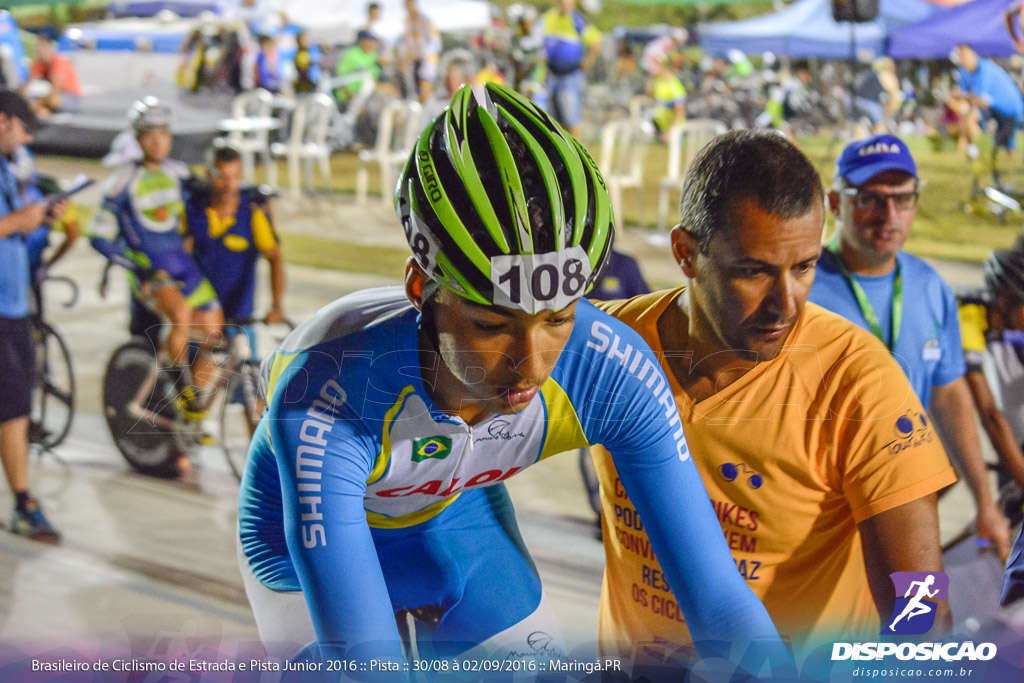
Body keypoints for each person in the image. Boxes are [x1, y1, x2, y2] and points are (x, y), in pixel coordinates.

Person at [237, 84, 788, 671]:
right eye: (490, 324)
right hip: (297, 541)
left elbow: (720, 602)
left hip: (452, 517)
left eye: (559, 318)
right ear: (421, 290)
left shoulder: (610, 371)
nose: (530, 363)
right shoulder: (329, 392)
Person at [590, 130, 956, 664]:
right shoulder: (607, 347)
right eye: (754, 271)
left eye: (804, 267)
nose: (785, 304)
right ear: (685, 253)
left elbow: (922, 605)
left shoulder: (860, 382)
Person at [809, 134, 1010, 560]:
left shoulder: (928, 286)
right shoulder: (800, 289)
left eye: (903, 199)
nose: (889, 215)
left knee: (917, 617)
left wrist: (985, 503)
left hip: (903, 497)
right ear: (833, 203)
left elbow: (950, 395)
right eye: (869, 199)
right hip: (818, 511)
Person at [88, 98, 224, 439]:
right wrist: (133, 267)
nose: (158, 141)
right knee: (179, 314)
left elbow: (210, 197)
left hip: (183, 266)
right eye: (150, 135)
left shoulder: (177, 172)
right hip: (152, 271)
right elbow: (99, 238)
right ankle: (184, 396)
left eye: (164, 134)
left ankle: (194, 412)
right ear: (137, 137)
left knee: (214, 331)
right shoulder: (122, 182)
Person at [0, 90, 67, 541]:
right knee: (13, 407)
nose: (26, 140)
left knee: (16, 407)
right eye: (23, 129)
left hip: (14, 304)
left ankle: (23, 500)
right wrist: (17, 222)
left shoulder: (9, 167)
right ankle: (23, 502)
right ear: (3, 121)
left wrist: (40, 218)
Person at [958, 248, 1024, 606]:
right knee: (950, 468)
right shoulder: (967, 314)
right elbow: (989, 413)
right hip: (931, 416)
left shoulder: (1016, 325)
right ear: (1004, 297)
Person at [183, 145, 286, 343]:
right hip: (200, 315)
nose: (230, 186)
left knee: (245, 368)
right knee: (195, 369)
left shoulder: (253, 211)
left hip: (239, 317)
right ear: (208, 175)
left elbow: (274, 258)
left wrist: (276, 307)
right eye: (222, 177)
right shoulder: (192, 208)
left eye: (236, 177)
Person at [949, 44, 1024, 160]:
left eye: (964, 56)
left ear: (973, 55)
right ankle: (977, 152)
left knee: (1006, 146)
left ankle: (981, 152)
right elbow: (965, 98)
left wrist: (961, 98)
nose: (962, 60)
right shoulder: (963, 72)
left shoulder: (985, 69)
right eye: (960, 57)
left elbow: (981, 100)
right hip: (994, 110)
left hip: (1010, 110)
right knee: (969, 118)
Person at [538, 0, 601, 138]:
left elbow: (596, 40)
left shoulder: (577, 20)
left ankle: (575, 155)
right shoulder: (547, 18)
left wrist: (589, 62)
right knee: (554, 120)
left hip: (570, 76)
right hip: (552, 75)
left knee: (571, 118)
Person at [23, 33, 82, 117]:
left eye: (43, 46)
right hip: (47, 96)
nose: (39, 49)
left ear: (50, 47)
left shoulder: (59, 61)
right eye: (38, 46)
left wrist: (38, 104)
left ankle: (44, 110)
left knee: (53, 100)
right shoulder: (38, 62)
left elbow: (55, 89)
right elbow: (28, 85)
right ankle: (43, 110)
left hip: (70, 97)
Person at [397, 0, 440, 103]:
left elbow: (435, 42)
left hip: (427, 60)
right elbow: (405, 42)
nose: (408, 7)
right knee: (416, 93)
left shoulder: (425, 20)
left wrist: (420, 54)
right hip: (413, 63)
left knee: (425, 90)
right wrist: (404, 56)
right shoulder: (407, 21)